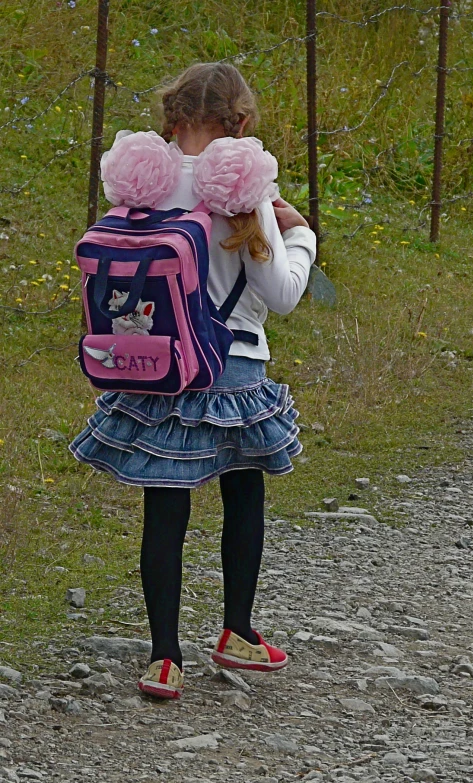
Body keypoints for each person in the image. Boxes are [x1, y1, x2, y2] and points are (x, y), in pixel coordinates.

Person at [70, 62, 316, 699]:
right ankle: (238, 631)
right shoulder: (244, 192)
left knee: (165, 508)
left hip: (157, 365)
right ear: (241, 124)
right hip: (232, 367)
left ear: (171, 119)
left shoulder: (140, 188)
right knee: (243, 497)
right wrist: (300, 235)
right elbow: (283, 295)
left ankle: (163, 659)